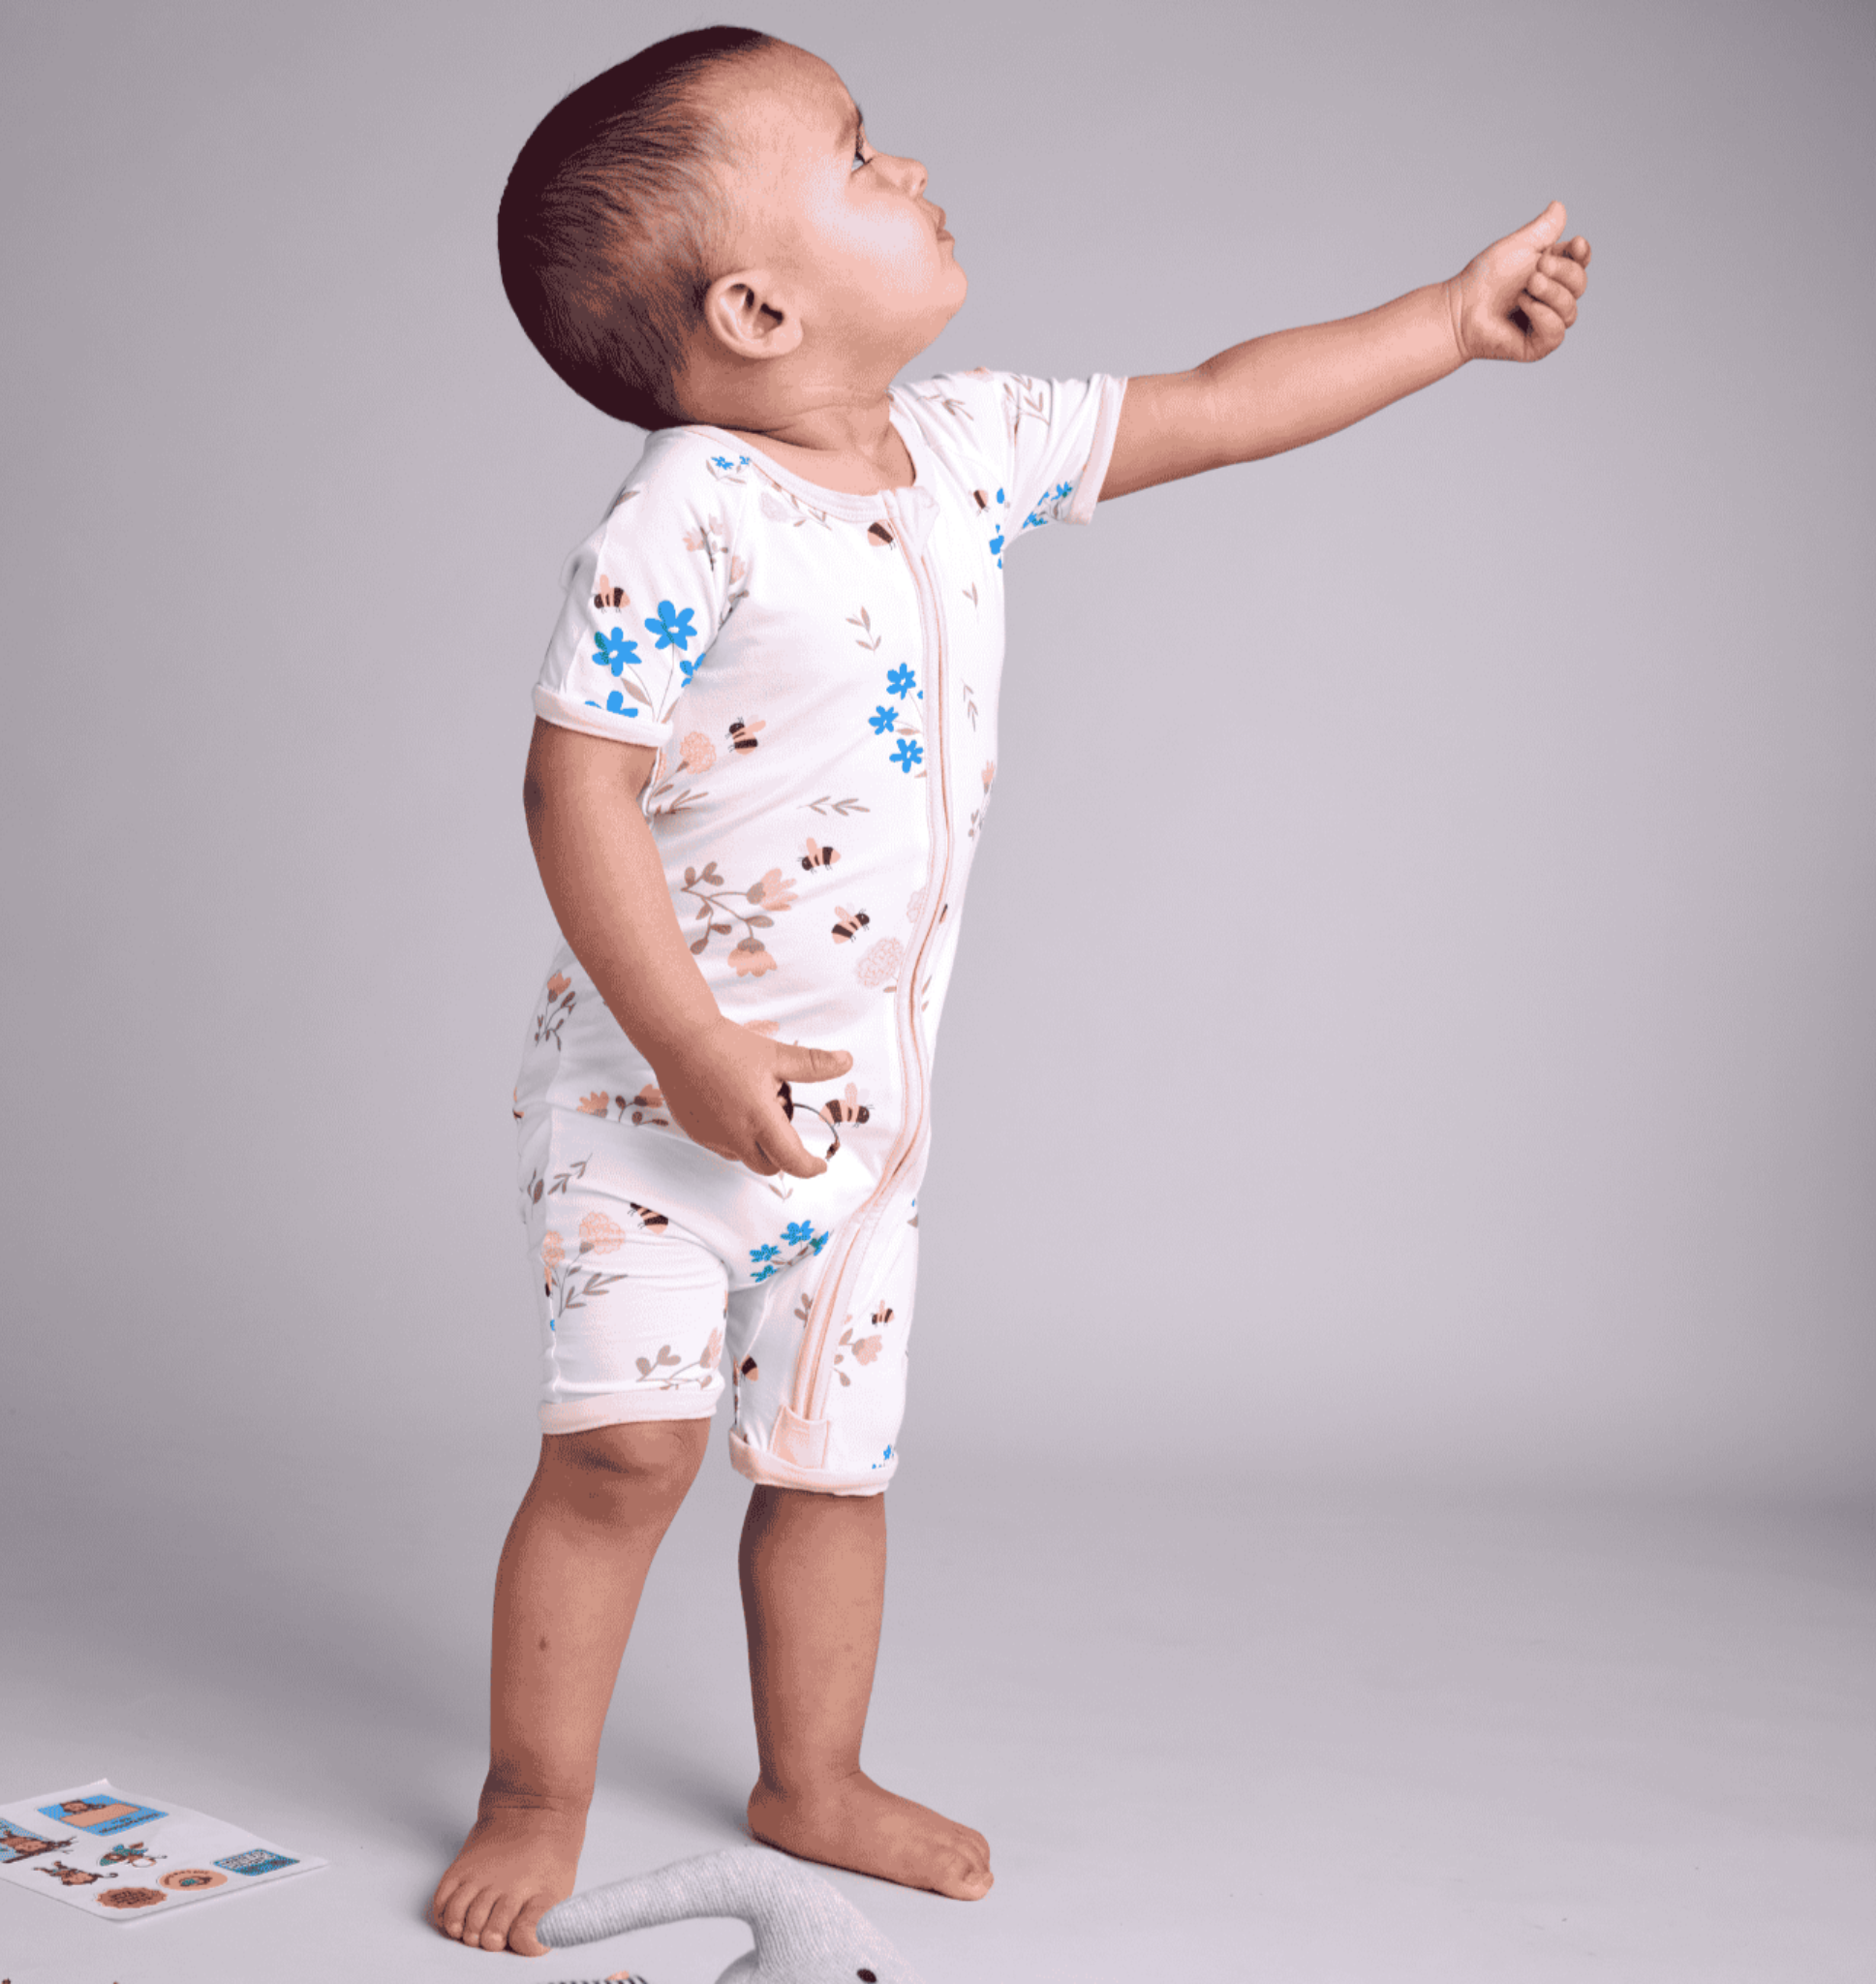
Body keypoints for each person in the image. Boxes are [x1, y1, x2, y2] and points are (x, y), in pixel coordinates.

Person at [430, 25, 1591, 1956]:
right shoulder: (684, 516)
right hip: (646, 1099)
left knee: (831, 1461)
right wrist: (693, 1049)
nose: (910, 170)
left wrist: (1447, 323)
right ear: (753, 300)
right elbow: (573, 784)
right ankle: (529, 1794)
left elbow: (1223, 403)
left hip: (865, 1108)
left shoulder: (962, 449)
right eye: (861, 157)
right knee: (619, 1455)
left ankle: (812, 1772)